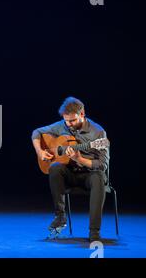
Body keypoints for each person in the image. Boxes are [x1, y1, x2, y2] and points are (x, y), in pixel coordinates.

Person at [31, 97, 109, 241]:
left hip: (89, 176)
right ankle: (60, 217)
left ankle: (94, 233)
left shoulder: (98, 133)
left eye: (72, 120)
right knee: (54, 168)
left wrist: (80, 159)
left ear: (82, 114)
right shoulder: (63, 125)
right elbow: (36, 133)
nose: (69, 124)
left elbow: (102, 165)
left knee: (99, 177)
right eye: (66, 120)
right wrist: (40, 152)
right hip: (70, 174)